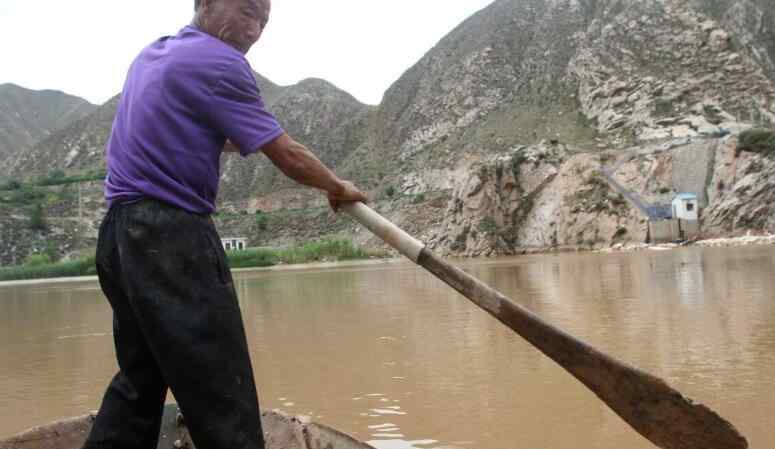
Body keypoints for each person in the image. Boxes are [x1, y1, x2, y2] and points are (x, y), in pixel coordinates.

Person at [81, 0, 368, 448]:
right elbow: (287, 154)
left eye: (264, 21)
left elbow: (209, 129)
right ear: (205, 3)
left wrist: (249, 134)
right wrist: (336, 185)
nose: (255, 30)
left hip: (119, 236)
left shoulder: (154, 55)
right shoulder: (220, 62)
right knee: (220, 385)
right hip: (171, 237)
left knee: (140, 380)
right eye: (247, 11)